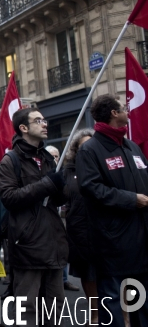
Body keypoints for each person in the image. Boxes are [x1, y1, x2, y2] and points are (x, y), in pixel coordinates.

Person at [76, 94, 148, 327]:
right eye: (123, 108)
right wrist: (131, 199)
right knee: (113, 299)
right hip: (112, 238)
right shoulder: (91, 149)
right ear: (114, 113)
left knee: (141, 297)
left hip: (141, 235)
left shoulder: (131, 146)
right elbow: (91, 188)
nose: (128, 110)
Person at [0, 107, 68, 326]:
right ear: (24, 128)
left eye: (44, 120)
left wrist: (60, 188)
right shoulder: (11, 160)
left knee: (56, 308)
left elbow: (56, 201)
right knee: (27, 309)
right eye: (38, 121)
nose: (44, 124)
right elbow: (9, 197)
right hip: (28, 244)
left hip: (52, 243)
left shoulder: (48, 158)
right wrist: (47, 184)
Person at [63, 128, 97, 324]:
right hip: (79, 230)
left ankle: (123, 315)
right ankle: (95, 313)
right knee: (88, 273)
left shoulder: (100, 166)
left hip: (104, 229)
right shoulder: (69, 171)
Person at [45, 144, 80, 292]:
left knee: (63, 247)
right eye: (51, 156)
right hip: (48, 220)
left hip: (64, 219)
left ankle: (64, 279)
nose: (55, 159)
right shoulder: (45, 172)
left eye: (56, 156)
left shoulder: (65, 173)